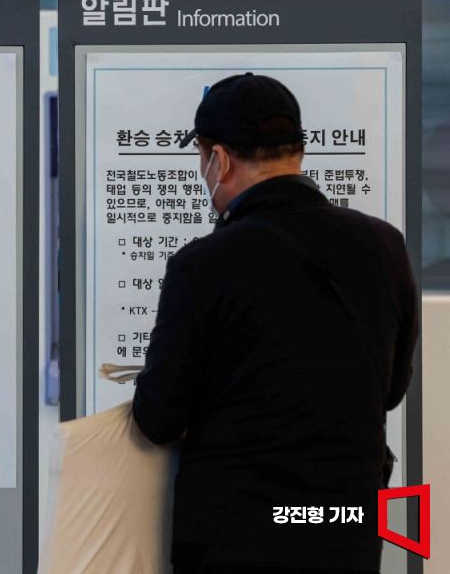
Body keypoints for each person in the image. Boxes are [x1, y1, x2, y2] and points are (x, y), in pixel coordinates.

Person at [132, 73, 417, 574]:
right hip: (343, 529)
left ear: (219, 160)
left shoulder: (203, 265)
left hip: (236, 537)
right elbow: (390, 390)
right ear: (297, 150)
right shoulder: (384, 245)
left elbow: (158, 420)